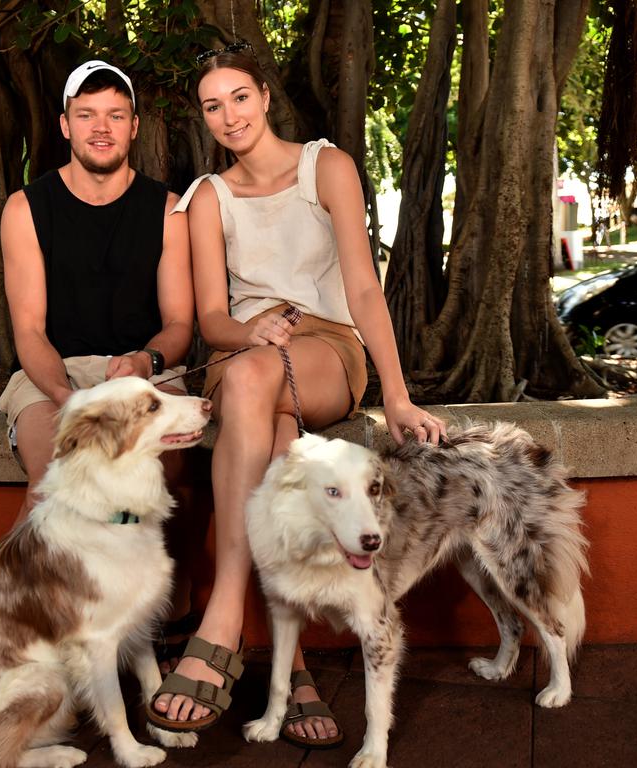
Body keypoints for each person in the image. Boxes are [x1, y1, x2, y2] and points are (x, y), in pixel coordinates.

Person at [147, 47, 447, 747]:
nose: (229, 116)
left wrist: (398, 397)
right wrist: (247, 331)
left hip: (326, 351)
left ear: (264, 96)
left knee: (257, 387)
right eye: (213, 106)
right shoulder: (207, 198)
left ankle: (220, 620)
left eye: (239, 98)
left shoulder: (326, 167)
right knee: (276, 445)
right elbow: (213, 319)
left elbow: (365, 287)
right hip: (243, 356)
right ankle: (297, 670)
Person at [0, 60, 199, 642]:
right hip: (53, 373)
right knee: (53, 478)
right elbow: (29, 331)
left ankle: (166, 613)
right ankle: (12, 627)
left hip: (141, 372)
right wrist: (68, 396)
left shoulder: (166, 210)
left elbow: (180, 323)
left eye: (115, 115)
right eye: (86, 116)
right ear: (65, 125)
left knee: (170, 467)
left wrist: (146, 362)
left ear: (135, 125)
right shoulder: (25, 208)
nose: (101, 128)